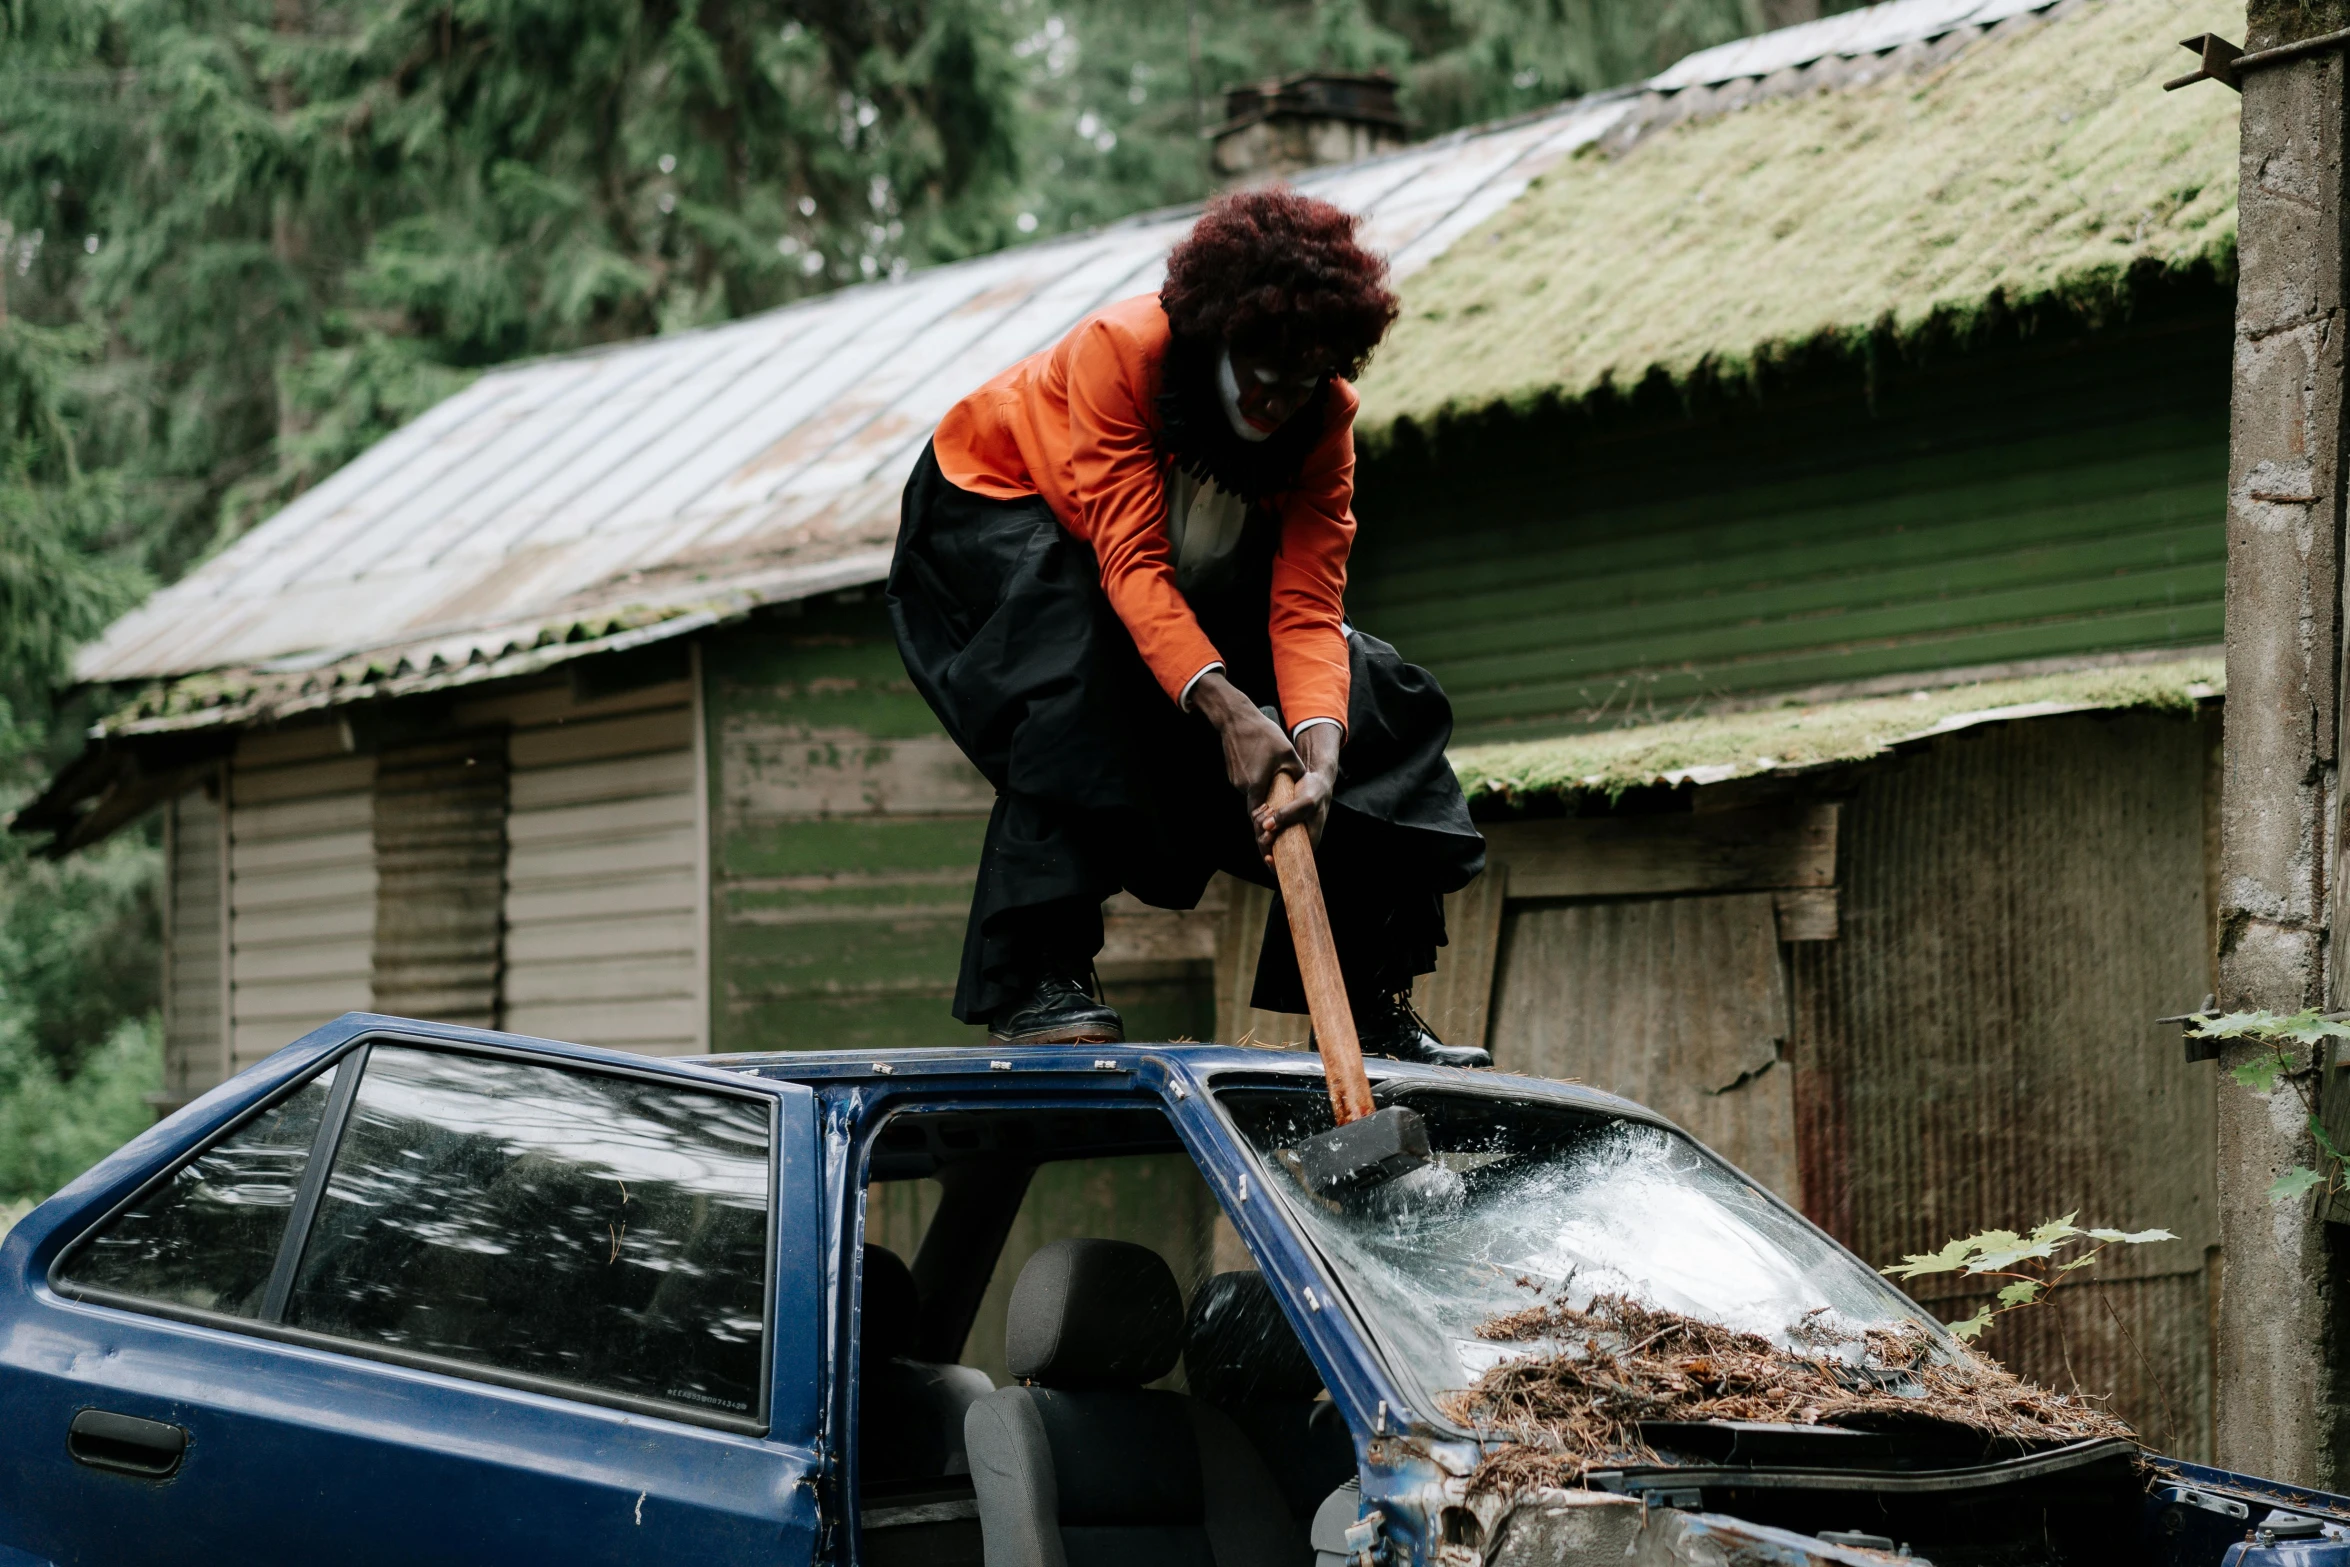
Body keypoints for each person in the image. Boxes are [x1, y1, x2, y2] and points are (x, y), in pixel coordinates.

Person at [887, 187, 1489, 1068]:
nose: (1278, 400)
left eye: (1304, 379)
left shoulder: (1327, 423)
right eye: (1261, 371)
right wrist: (1229, 710)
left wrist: (1320, 746)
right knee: (1081, 650)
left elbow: (1310, 608)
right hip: (995, 511)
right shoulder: (1120, 352)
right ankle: (1034, 979)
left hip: (1176, 557)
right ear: (1217, 334)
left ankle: (1368, 999)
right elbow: (1129, 565)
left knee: (1377, 701)